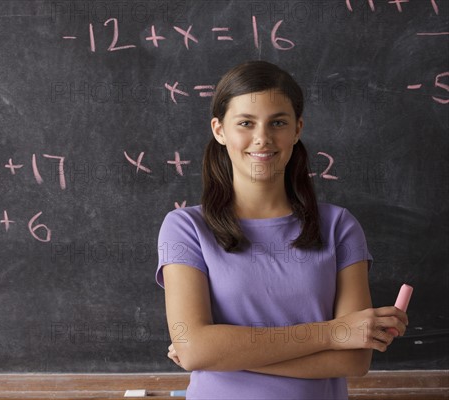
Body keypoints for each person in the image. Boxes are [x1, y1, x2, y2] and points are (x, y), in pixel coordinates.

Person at [155, 60, 408, 399]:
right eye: (245, 123)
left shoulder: (339, 227)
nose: (262, 138)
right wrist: (332, 333)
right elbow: (195, 349)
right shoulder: (185, 228)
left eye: (278, 122)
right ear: (219, 130)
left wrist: (220, 354)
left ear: (297, 129)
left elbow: (353, 359)